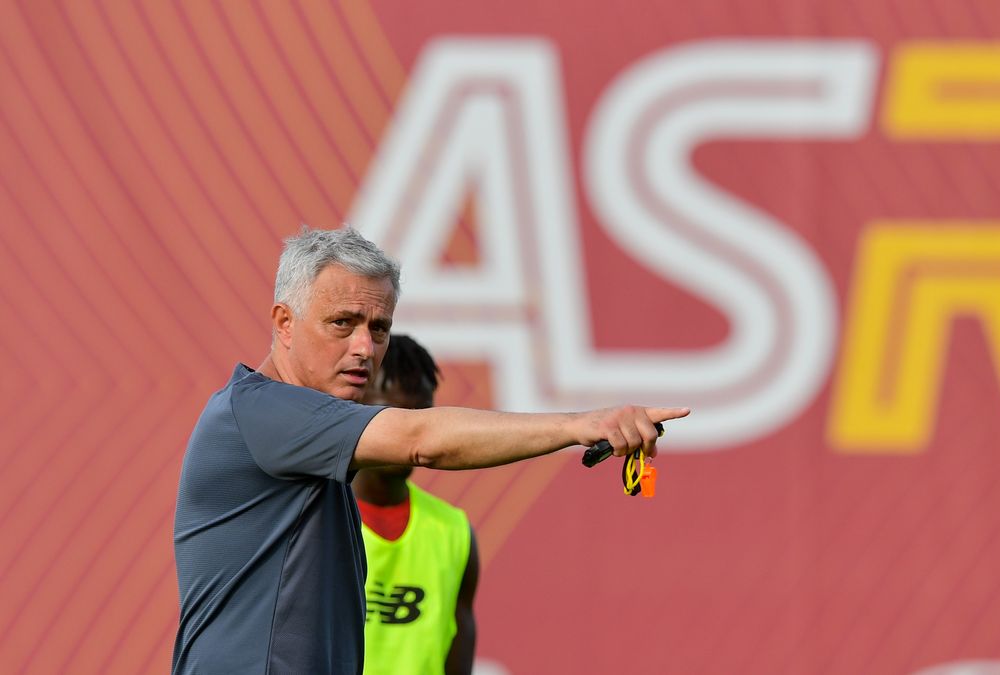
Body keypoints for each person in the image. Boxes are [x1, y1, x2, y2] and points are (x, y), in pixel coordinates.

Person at [172, 226, 687, 675]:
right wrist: (583, 424)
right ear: (284, 323)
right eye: (341, 323)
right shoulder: (264, 412)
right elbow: (422, 441)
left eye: (379, 328)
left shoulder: (304, 440)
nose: (364, 348)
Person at [353, 335, 478, 675]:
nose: (410, 431)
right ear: (357, 406)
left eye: (420, 416)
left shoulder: (454, 531)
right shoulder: (313, 517)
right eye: (393, 416)